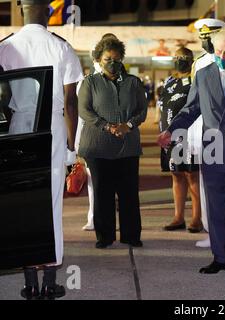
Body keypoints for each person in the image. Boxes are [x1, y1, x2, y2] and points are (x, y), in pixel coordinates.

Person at [158, 28, 225, 278]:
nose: (223, 56)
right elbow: (191, 108)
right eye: (219, 51)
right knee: (215, 206)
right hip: (213, 150)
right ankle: (220, 256)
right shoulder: (204, 74)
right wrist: (171, 131)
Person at [0, 0, 83, 299]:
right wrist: (73, 147)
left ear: (22, 10)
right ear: (48, 12)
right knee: (52, 205)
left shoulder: (6, 47)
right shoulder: (61, 47)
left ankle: (29, 284)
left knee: (20, 203)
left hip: (18, 126)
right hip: (51, 128)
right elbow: (71, 102)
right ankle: (49, 281)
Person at [78, 37, 148, 249]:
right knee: (102, 193)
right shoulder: (90, 82)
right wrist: (107, 126)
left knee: (129, 192)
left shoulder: (133, 82)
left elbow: (142, 110)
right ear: (99, 59)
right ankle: (105, 236)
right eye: (108, 58)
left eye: (116, 59)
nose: (112, 62)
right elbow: (84, 110)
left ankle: (131, 235)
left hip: (127, 146)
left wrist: (128, 125)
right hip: (98, 147)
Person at [190, 17, 225, 248]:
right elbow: (193, 102)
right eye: (203, 37)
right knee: (208, 183)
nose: (205, 41)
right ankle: (212, 232)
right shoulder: (199, 63)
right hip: (204, 131)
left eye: (209, 37)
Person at [159, 47, 202, 233]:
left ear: (191, 60)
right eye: (177, 57)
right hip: (170, 136)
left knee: (192, 175)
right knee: (176, 175)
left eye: (184, 57)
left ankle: (197, 217)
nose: (180, 60)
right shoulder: (169, 82)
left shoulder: (195, 80)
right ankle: (178, 217)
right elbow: (163, 107)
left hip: (188, 134)